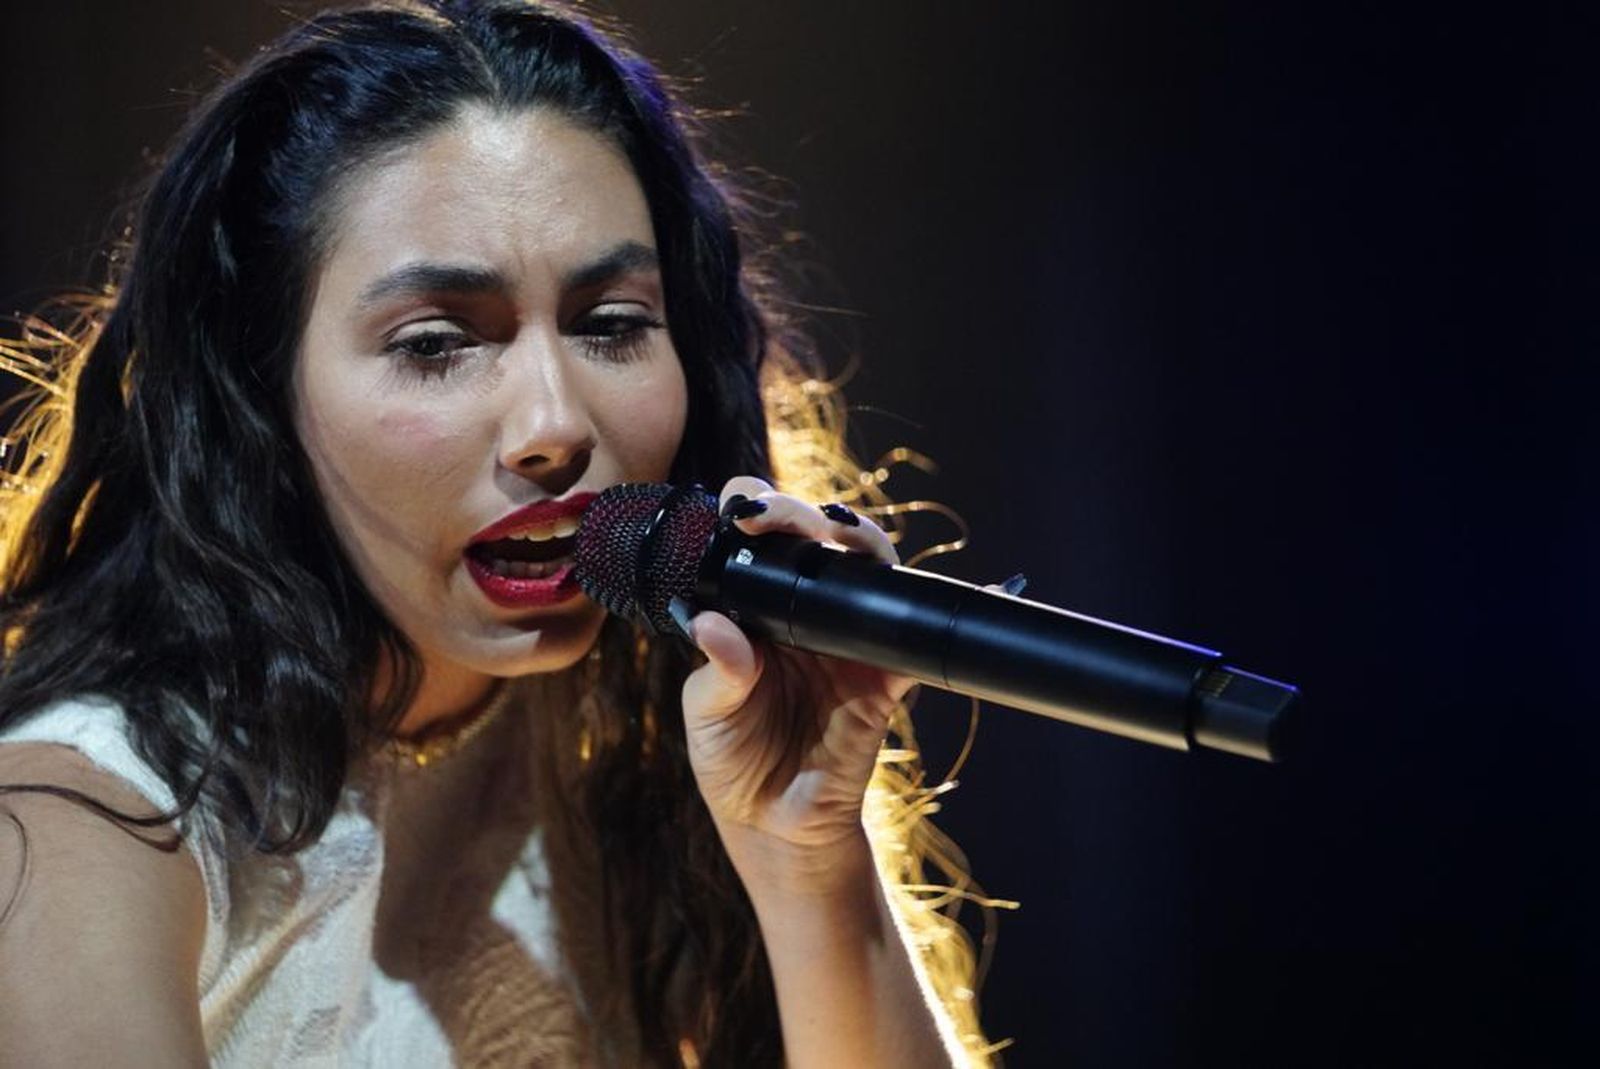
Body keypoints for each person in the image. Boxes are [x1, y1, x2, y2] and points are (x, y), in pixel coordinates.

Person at [0, 2, 996, 1065]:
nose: (554, 426)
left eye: (611, 326)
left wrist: (808, 858)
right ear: (256, 389)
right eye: (435, 343)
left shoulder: (629, 740)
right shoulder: (78, 823)